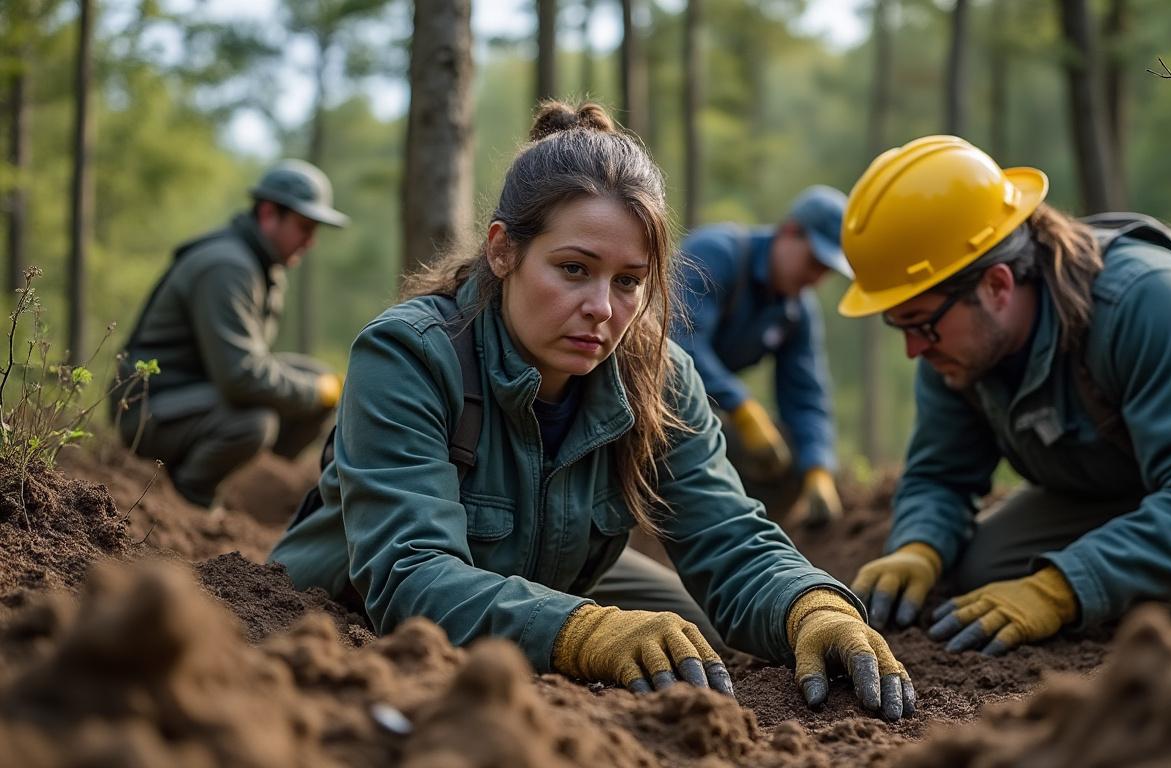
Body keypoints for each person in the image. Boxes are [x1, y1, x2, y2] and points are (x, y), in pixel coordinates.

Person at [269, 101, 915, 720]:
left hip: (534, 574)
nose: (604, 309)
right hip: (337, 625)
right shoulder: (409, 356)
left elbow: (729, 538)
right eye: (574, 269)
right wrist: (584, 632)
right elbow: (409, 573)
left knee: (698, 631)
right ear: (503, 250)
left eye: (629, 281)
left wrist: (814, 607)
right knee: (631, 639)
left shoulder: (656, 375)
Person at [842, 135, 1171, 656]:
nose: (912, 349)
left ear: (997, 285)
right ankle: (1147, 562)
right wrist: (919, 548)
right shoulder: (954, 347)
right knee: (981, 568)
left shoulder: (1147, 299)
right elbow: (940, 474)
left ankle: (1168, 582)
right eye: (898, 326)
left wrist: (1061, 589)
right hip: (1116, 475)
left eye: (919, 323)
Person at [112, 159, 348, 509]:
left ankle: (255, 488)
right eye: (304, 226)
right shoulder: (228, 266)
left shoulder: (261, 264)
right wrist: (315, 392)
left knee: (317, 379)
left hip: (195, 397)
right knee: (254, 421)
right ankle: (190, 499)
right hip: (146, 411)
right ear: (269, 214)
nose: (310, 241)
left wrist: (320, 387)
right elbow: (240, 377)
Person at [671, 186, 851, 527]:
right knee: (709, 434)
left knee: (789, 457)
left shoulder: (797, 311)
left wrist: (817, 466)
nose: (815, 278)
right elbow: (678, 340)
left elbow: (806, 392)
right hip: (649, 396)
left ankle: (740, 540)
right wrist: (741, 405)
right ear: (788, 231)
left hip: (710, 408)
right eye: (813, 262)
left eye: (825, 272)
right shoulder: (717, 253)